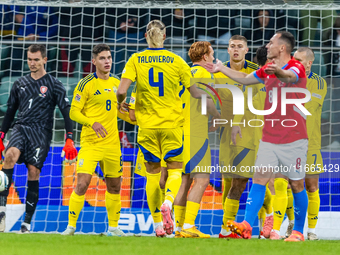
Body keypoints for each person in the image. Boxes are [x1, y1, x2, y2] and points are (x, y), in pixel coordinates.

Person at [206, 31, 309, 242]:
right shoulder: (266, 70)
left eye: (271, 42)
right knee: (259, 180)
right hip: (269, 136)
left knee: (297, 184)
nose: (267, 45)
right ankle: (246, 225)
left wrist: (278, 71)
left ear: (281, 47)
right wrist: (221, 68)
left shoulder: (295, 66)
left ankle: (298, 231)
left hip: (293, 137)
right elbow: (245, 79)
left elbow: (290, 77)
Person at [116, 20, 205, 235]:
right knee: (175, 169)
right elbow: (194, 92)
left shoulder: (136, 59)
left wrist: (122, 100)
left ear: (146, 36)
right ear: (164, 37)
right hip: (172, 125)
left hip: (147, 126)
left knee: (153, 174)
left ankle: (157, 224)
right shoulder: (177, 61)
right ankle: (168, 201)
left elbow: (121, 90)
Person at [0, 44, 77, 233]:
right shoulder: (19, 83)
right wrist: (1, 134)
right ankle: (1, 213)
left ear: (45, 60)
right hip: (21, 128)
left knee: (33, 172)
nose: (32, 63)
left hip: (41, 133)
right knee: (9, 156)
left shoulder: (54, 84)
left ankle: (26, 222)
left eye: (36, 59)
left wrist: (69, 138)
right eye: (29, 59)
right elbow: (10, 111)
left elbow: (67, 112)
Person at [61, 44, 135, 236]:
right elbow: (73, 112)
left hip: (112, 145)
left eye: (109, 57)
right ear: (94, 61)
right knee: (82, 184)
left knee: (115, 186)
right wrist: (91, 122)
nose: (107, 61)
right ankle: (70, 227)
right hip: (91, 144)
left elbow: (120, 112)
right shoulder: (86, 84)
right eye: (102, 58)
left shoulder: (117, 84)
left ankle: (113, 227)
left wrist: (136, 119)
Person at [210, 35, 272, 239]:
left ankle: (266, 226)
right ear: (227, 50)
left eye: (239, 46)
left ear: (246, 50)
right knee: (230, 181)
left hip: (254, 132)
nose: (235, 50)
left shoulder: (256, 71)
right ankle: (229, 227)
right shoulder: (216, 72)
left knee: (254, 181)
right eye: (232, 46)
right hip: (228, 131)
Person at [274, 47, 326, 241]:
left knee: (311, 186)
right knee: (285, 185)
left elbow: (305, 107)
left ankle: (311, 231)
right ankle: (284, 227)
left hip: (310, 143)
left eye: (299, 60)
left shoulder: (319, 82)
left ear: (309, 63)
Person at [173, 41, 220, 238]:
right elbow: (205, 99)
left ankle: (178, 227)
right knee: (202, 180)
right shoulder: (203, 74)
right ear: (204, 57)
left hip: (182, 130)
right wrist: (217, 115)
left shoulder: (187, 73)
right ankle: (189, 225)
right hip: (196, 131)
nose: (213, 55)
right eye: (211, 53)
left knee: (185, 180)